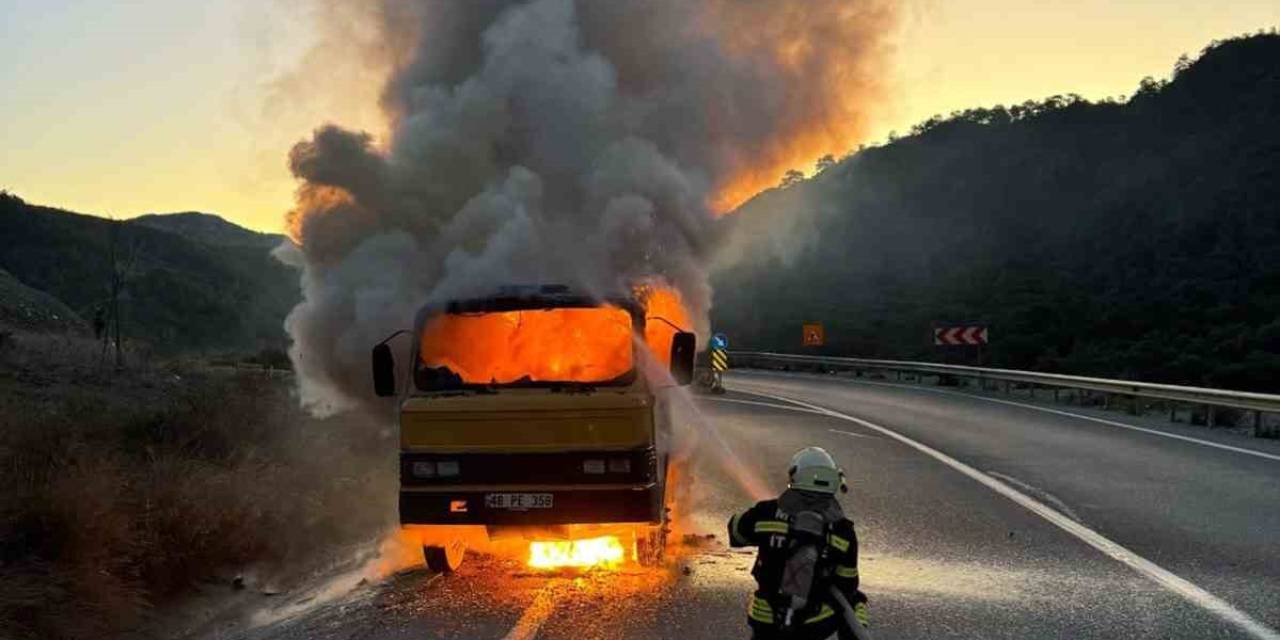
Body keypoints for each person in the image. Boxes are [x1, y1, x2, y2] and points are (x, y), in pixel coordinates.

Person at [728, 447, 870, 639]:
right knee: (856, 601)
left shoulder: (766, 512)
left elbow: (736, 534)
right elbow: (847, 583)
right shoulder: (842, 529)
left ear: (795, 476)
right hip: (812, 624)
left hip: (765, 618)